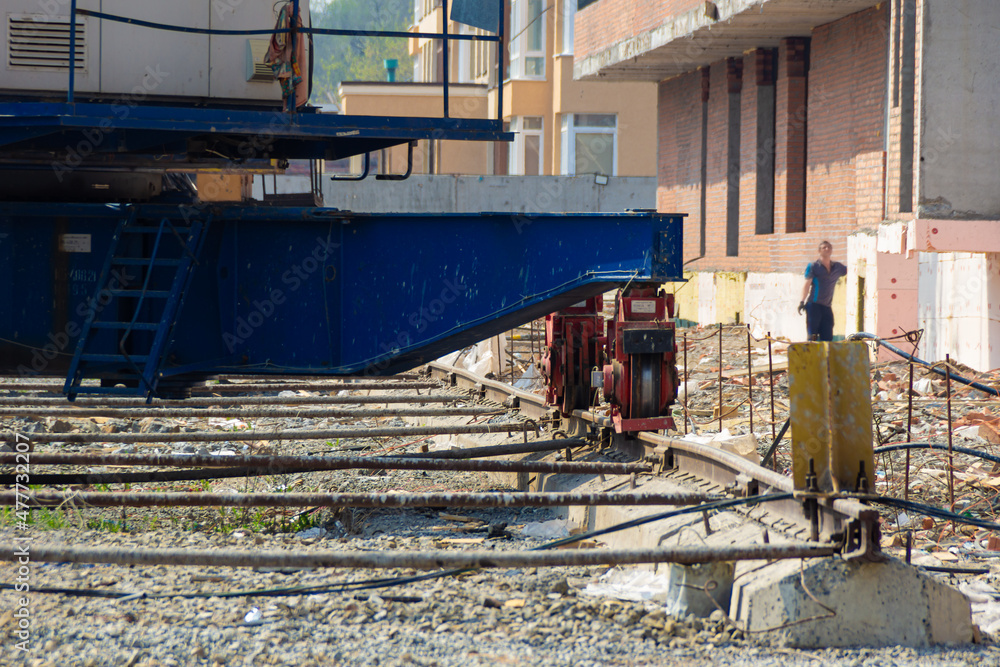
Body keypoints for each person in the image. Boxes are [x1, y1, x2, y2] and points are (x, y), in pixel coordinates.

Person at [798, 240, 847, 341]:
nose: (827, 249)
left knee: (828, 335)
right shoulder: (813, 266)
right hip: (814, 305)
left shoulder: (837, 267)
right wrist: (802, 301)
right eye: (824, 247)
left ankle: (826, 356)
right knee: (813, 336)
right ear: (819, 251)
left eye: (829, 247)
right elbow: (807, 284)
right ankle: (812, 356)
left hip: (827, 306)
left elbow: (851, 269)